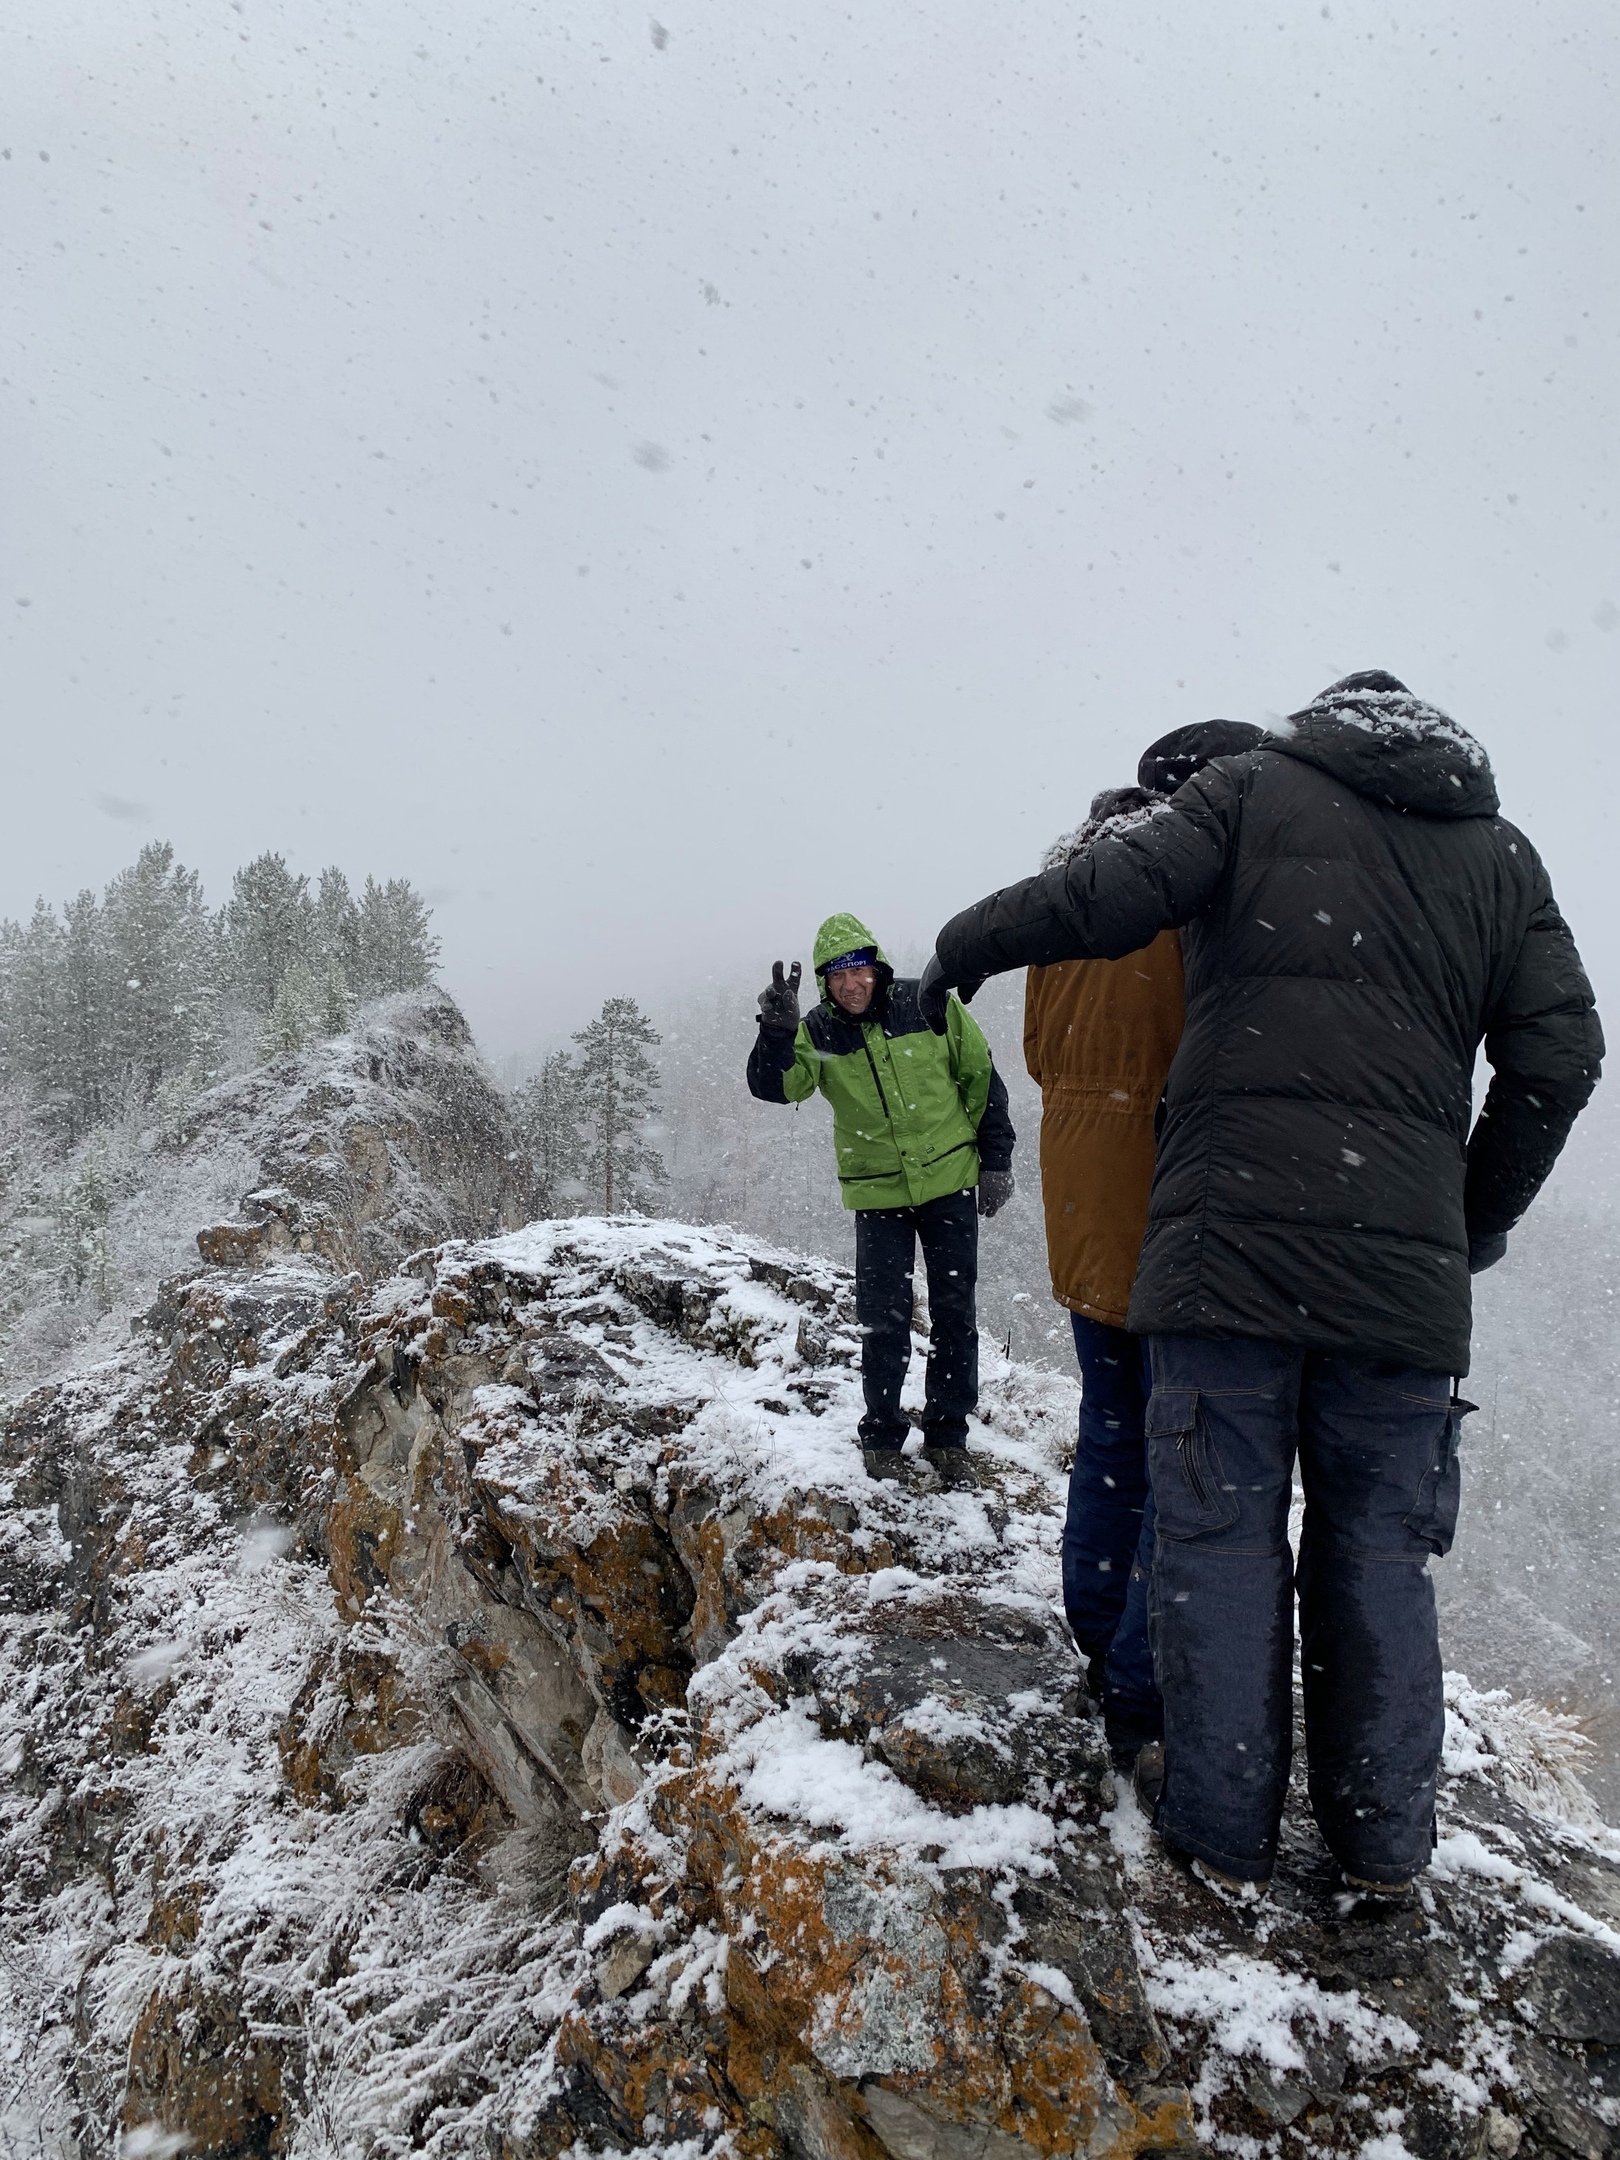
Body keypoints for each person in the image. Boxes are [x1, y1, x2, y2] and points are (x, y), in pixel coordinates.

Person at [922, 672, 1602, 1895]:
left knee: (1219, 1541)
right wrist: (1467, 1215)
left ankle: (1223, 1837)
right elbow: (1563, 1054)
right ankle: (1380, 1849)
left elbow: (1107, 892)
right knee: (1379, 1558)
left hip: (1225, 1262)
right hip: (1400, 1289)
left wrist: (966, 944)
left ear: (1323, 728)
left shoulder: (1251, 793)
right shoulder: (1504, 855)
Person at [1030, 722, 1261, 1771]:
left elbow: (1038, 1054)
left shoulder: (1069, 900)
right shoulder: (1179, 899)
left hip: (1081, 1201)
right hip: (1168, 1202)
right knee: (1186, 1455)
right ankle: (1137, 1683)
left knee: (1114, 1431)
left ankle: (1093, 1626)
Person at [747, 912, 1016, 1489]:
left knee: (954, 1314)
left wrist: (996, 1160)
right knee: (884, 1321)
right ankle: (883, 1435)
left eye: (858, 969)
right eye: (837, 975)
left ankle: (948, 1436)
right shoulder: (817, 1032)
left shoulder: (927, 1003)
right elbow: (776, 1087)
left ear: (876, 967)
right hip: (879, 1194)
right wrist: (773, 1033)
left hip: (949, 1184)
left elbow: (981, 1076)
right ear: (824, 982)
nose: (851, 984)